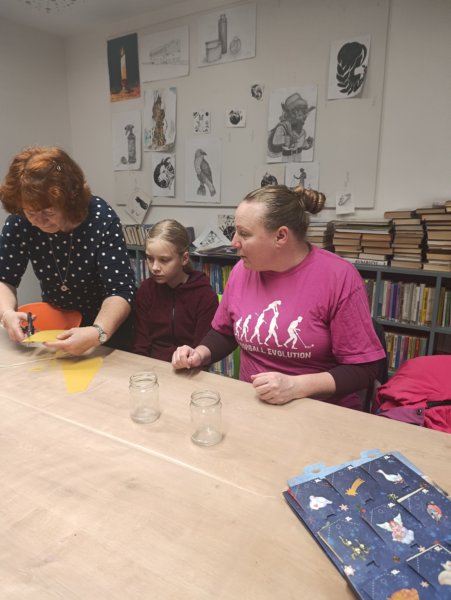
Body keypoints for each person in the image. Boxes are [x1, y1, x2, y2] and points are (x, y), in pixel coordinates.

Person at [172, 185, 386, 410]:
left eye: (244, 234)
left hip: (318, 410)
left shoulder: (338, 277)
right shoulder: (242, 271)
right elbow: (225, 332)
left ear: (281, 236)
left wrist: (296, 386)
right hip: (254, 405)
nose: (234, 242)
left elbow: (363, 369)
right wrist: (199, 354)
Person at [0, 146, 135, 355]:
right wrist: (7, 313)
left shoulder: (100, 218)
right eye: (31, 212)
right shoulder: (20, 221)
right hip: (58, 324)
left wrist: (98, 331)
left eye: (48, 212)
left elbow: (121, 290)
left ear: (70, 201)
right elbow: (4, 278)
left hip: (106, 329)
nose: (38, 222)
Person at [131, 219, 218, 362]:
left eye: (164, 260)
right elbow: (140, 344)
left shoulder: (204, 296)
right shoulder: (146, 290)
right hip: (150, 366)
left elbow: (201, 351)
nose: (154, 267)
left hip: (189, 367)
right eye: (150, 258)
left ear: (184, 258)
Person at [267, 92, 315, 162]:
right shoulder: (283, 127)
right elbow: (275, 140)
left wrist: (306, 144)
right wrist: (287, 139)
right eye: (299, 115)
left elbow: (299, 144)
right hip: (287, 158)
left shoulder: (302, 131)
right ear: (292, 114)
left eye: (303, 115)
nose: (302, 118)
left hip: (298, 157)